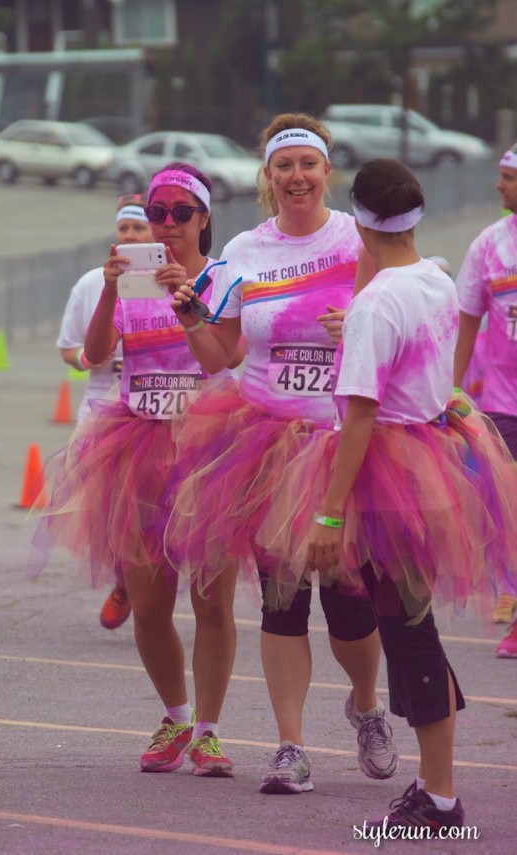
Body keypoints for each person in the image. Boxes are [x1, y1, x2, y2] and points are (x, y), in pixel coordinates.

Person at [259, 157, 517, 830]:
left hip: (387, 480)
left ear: (361, 218)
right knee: (408, 628)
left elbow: (362, 417)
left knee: (411, 633)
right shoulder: (430, 277)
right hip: (430, 461)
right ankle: (435, 790)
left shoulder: (375, 302)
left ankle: (439, 796)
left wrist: (328, 511)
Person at [167, 114, 399, 794]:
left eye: (307, 164)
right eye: (283, 166)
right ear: (268, 178)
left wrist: (358, 322)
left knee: (352, 604)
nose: (296, 176)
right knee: (281, 601)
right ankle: (290, 745)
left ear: (328, 172)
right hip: (266, 444)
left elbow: (407, 327)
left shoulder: (362, 241)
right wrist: (192, 323)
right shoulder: (241, 250)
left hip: (346, 442)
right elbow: (225, 356)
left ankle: (365, 704)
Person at [32, 163, 243, 777]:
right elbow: (95, 355)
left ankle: (208, 731)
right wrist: (108, 286)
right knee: (150, 606)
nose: (168, 223)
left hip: (210, 454)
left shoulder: (224, 278)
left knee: (213, 604)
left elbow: (221, 359)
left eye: (181, 212)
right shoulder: (132, 281)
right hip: (136, 449)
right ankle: (175, 715)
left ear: (204, 217)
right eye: (158, 213)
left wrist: (190, 305)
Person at [57, 195, 153, 632]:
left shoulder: (173, 278)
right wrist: (89, 359)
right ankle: (125, 582)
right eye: (124, 230)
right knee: (110, 511)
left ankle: (149, 583)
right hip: (99, 412)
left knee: (152, 510)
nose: (130, 237)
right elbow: (67, 348)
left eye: (138, 229)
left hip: (153, 411)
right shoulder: (92, 283)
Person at [453, 143, 517, 646]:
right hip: (502, 401)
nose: (499, 186)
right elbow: (466, 325)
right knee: (507, 503)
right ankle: (510, 592)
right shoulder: (489, 245)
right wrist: (450, 390)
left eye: (508, 177)